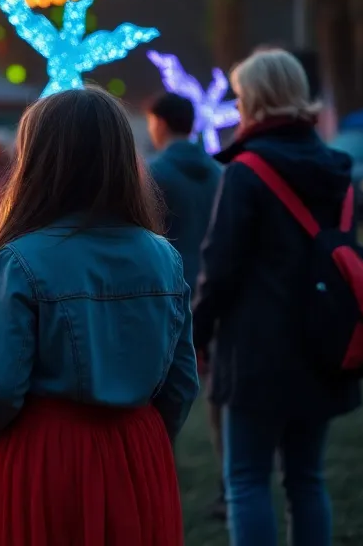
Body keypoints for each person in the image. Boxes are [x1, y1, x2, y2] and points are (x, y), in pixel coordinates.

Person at [0, 87, 198, 546]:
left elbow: (1, 383)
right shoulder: (164, 256)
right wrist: (142, 443)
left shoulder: (21, 258)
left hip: (47, 453)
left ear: (39, 161)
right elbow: (182, 380)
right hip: (139, 449)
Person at [194, 48, 360, 546]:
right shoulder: (335, 167)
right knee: (307, 479)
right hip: (325, 343)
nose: (237, 107)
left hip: (256, 350)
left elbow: (220, 265)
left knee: (245, 480)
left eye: (242, 97)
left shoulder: (246, 171)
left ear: (258, 100)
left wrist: (196, 334)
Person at [145, 90, 225, 515]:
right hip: (214, 289)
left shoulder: (153, 174)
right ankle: (229, 483)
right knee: (219, 393)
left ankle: (160, 479)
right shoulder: (219, 171)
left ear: (159, 123)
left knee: (161, 392)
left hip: (168, 292)